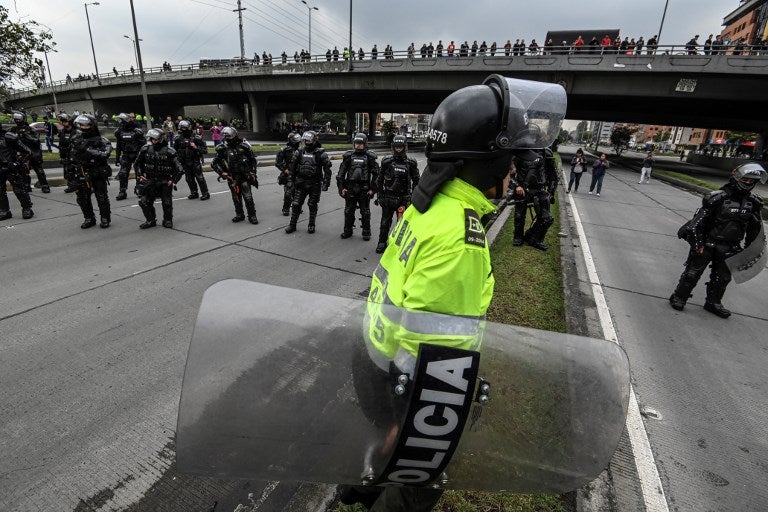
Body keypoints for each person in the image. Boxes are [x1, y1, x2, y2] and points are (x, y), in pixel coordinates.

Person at [340, 74, 566, 511]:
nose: (517, 168)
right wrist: (418, 419)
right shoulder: (461, 237)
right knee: (418, 484)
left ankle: (358, 487)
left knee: (383, 457)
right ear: (487, 163)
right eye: (511, 158)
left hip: (377, 355)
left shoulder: (430, 205)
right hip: (412, 377)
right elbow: (441, 342)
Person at [669, 163, 766, 317]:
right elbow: (697, 224)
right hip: (708, 243)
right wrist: (698, 244)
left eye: (751, 181)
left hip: (731, 247)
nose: (748, 183)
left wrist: (750, 250)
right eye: (745, 180)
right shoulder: (716, 198)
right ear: (737, 178)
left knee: (722, 278)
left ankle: (713, 302)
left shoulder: (754, 203)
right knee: (692, 273)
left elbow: (755, 229)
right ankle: (679, 297)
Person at [69, 114, 113, 229]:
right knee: (82, 198)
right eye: (81, 125)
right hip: (82, 171)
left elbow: (105, 154)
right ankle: (89, 218)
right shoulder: (75, 139)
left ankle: (105, 218)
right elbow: (71, 156)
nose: (83, 127)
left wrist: (89, 150)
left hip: (97, 171)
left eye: (86, 125)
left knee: (101, 196)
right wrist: (71, 171)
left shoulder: (102, 140)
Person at [134, 129, 185, 229]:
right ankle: (150, 220)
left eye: (156, 139)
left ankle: (168, 220)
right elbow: (137, 164)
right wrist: (140, 174)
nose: (154, 141)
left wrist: (173, 180)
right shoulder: (145, 149)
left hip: (164, 181)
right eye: (152, 139)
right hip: (150, 180)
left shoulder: (170, 151)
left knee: (166, 203)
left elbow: (179, 169)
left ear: (161, 139)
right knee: (144, 201)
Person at [511, 146, 558, 250]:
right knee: (519, 216)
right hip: (522, 188)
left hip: (540, 189)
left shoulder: (546, 153)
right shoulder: (519, 152)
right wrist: (517, 185)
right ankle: (518, 237)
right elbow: (509, 173)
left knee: (547, 218)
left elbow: (553, 174)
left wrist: (551, 190)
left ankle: (534, 237)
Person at [285, 131, 332, 234]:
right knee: (296, 204)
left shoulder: (321, 153)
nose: (307, 142)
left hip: (314, 183)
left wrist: (326, 183)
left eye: (309, 140)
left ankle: (311, 224)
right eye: (306, 140)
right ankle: (292, 225)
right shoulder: (299, 152)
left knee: (312, 204)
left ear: (314, 140)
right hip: (301, 182)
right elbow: (292, 168)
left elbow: (327, 170)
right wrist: (290, 180)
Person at [210, 127, 259, 224]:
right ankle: (239, 215)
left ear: (235, 135)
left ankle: (252, 215)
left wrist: (253, 172)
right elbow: (214, 163)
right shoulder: (223, 149)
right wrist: (221, 172)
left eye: (229, 136)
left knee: (248, 197)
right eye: (226, 136)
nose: (227, 138)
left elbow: (253, 160)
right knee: (236, 197)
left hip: (245, 176)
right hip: (232, 177)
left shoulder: (244, 146)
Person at [336, 133, 379, 240]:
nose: (358, 146)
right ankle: (347, 231)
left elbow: (377, 174)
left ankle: (366, 232)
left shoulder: (369, 157)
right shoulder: (348, 157)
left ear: (365, 144)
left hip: (364, 189)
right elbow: (341, 174)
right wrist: (341, 188)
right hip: (350, 187)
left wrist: (373, 189)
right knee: (348, 211)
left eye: (360, 144)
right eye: (356, 143)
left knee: (365, 211)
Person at [10, 111, 50, 193]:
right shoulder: (14, 130)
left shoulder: (31, 129)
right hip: (22, 153)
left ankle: (45, 185)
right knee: (23, 171)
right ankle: (27, 186)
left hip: (33, 153)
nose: (17, 121)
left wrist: (27, 135)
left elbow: (36, 141)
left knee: (39, 171)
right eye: (16, 120)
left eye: (18, 119)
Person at [0, 129, 34, 220]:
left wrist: (18, 163)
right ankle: (4, 210)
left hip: (11, 168)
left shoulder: (8, 137)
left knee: (19, 189)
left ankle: (27, 208)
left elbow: (28, 152)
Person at [174, 119, 210, 200]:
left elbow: (205, 150)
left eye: (184, 128)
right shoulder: (177, 138)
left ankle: (205, 193)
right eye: (181, 128)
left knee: (200, 178)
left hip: (195, 161)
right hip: (184, 162)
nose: (183, 130)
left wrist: (196, 147)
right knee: (189, 179)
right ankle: (194, 192)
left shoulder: (197, 138)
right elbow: (174, 151)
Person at [113, 112, 145, 201]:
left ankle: (140, 190)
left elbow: (144, 144)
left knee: (139, 173)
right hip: (126, 155)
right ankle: (122, 191)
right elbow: (118, 146)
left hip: (137, 155)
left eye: (121, 120)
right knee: (123, 174)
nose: (120, 122)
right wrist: (117, 158)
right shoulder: (119, 132)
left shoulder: (137, 131)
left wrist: (143, 157)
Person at [275, 132, 301, 216]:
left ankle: (296, 207)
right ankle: (285, 209)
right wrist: (284, 169)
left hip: (298, 174)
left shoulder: (301, 150)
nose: (297, 142)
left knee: (297, 192)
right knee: (288, 193)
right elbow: (278, 162)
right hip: (288, 174)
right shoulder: (284, 150)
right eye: (295, 140)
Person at [57, 113, 79, 193]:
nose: (63, 123)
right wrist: (62, 155)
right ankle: (71, 186)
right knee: (67, 171)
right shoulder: (63, 131)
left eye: (65, 121)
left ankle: (82, 185)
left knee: (78, 171)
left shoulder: (76, 131)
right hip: (66, 155)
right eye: (62, 121)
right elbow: (61, 144)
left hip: (75, 155)